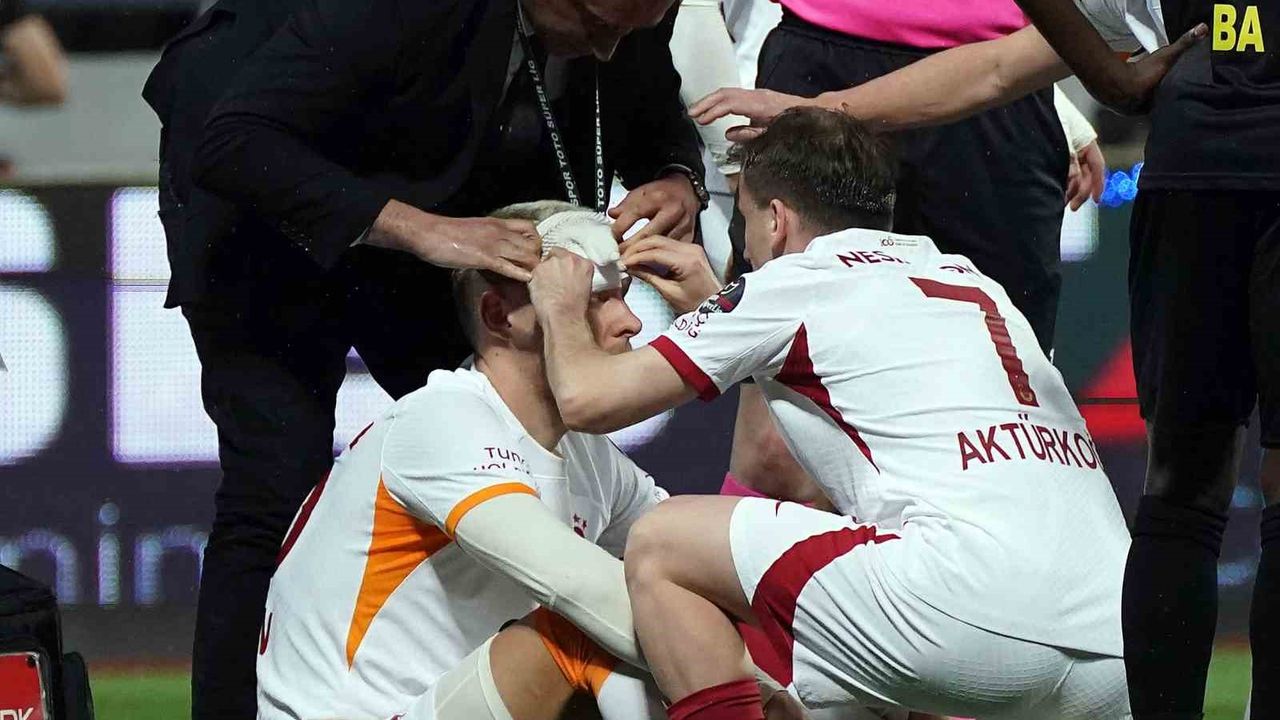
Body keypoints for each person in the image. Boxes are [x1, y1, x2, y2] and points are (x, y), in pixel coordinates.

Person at [696, 5, 1276, 716]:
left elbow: (1028, 54)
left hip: (1034, 121)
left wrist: (1075, 102)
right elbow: (1041, 51)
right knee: (775, 456)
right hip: (837, 60)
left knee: (1021, 474)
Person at [141, 0, 706, 715]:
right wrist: (425, 232)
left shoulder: (625, 8)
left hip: (425, 176)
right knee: (271, 486)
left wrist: (676, 175)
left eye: (633, 28)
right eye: (596, 24)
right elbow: (234, 141)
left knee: (519, 418)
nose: (607, 48)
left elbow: (648, 101)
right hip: (255, 205)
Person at [531, 107, 1133, 719]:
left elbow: (587, 399)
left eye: (745, 221)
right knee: (838, 695)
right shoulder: (968, 278)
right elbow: (842, 369)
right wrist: (718, 308)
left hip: (964, 618)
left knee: (663, 543)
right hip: (1117, 635)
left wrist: (557, 301)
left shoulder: (788, 284)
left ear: (775, 220)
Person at [257, 202, 670, 720]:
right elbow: (585, 590)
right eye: (588, 299)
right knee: (591, 629)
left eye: (623, 296)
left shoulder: (589, 454)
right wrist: (753, 680)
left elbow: (696, 560)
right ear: (498, 317)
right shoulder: (444, 419)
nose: (630, 322)